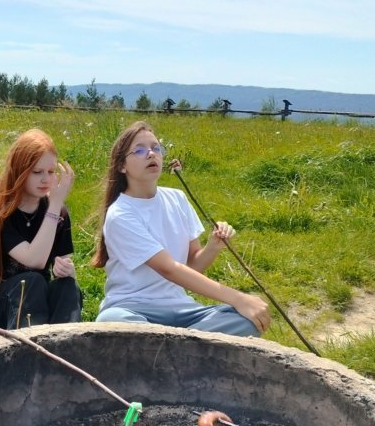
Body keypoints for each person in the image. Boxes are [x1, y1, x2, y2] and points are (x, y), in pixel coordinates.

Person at [92, 121, 270, 336]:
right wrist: (238, 298)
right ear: (122, 165)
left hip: (183, 310)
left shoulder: (177, 198)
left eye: (156, 148)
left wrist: (213, 246)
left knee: (246, 321)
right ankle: (184, 343)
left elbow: (192, 266)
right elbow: (169, 268)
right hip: (134, 309)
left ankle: (167, 344)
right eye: (139, 150)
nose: (151, 154)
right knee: (114, 322)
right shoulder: (120, 214)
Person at [0, 128, 82, 329]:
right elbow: (35, 260)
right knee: (31, 281)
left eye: (51, 172)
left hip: (37, 295)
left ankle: (66, 342)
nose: (46, 179)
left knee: (67, 287)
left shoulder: (58, 212)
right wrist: (55, 206)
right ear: (19, 172)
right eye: (37, 172)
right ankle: (27, 345)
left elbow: (62, 263)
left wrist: (67, 271)